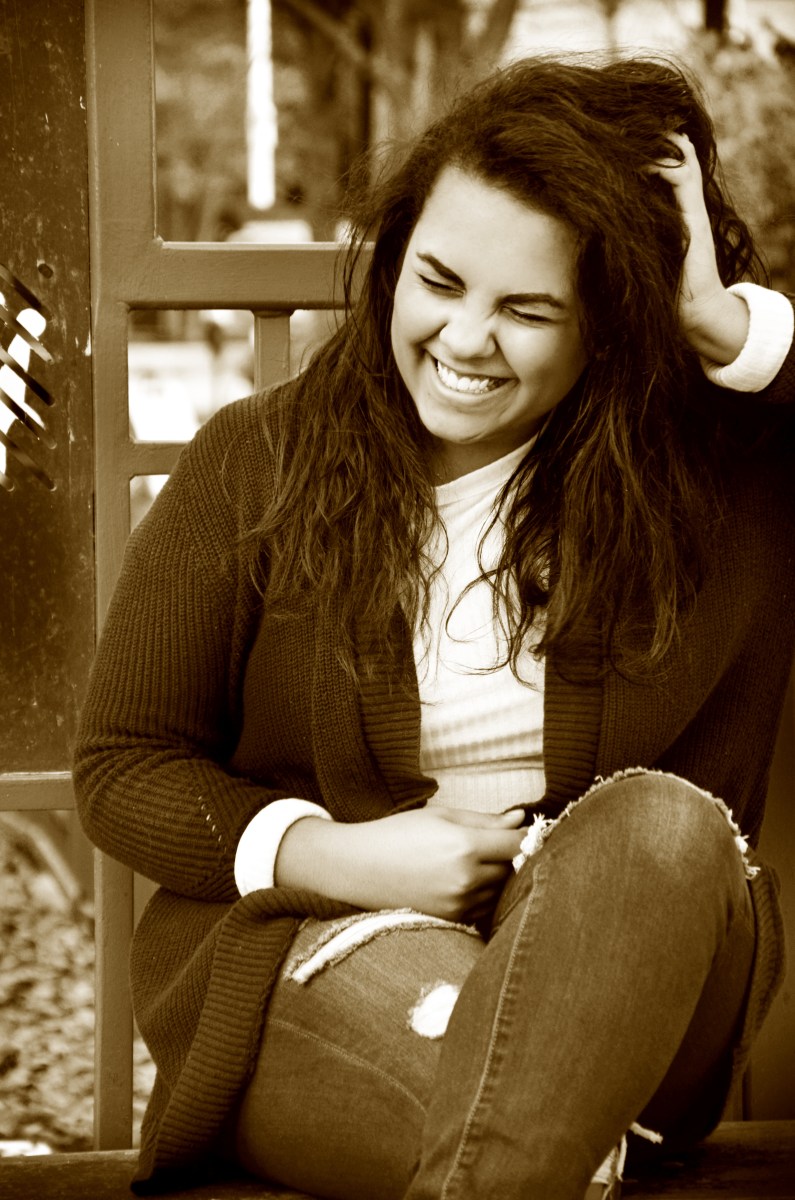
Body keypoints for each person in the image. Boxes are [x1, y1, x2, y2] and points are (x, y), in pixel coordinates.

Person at [74, 52, 794, 1200]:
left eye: (526, 310)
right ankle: (569, 1149)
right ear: (394, 260)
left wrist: (720, 324)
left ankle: (558, 1135)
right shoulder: (258, 460)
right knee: (513, 1098)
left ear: (610, 324)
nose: (463, 339)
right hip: (328, 960)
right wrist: (338, 857)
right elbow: (123, 763)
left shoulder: (717, 475)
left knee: (663, 826)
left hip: (634, 973)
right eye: (439, 281)